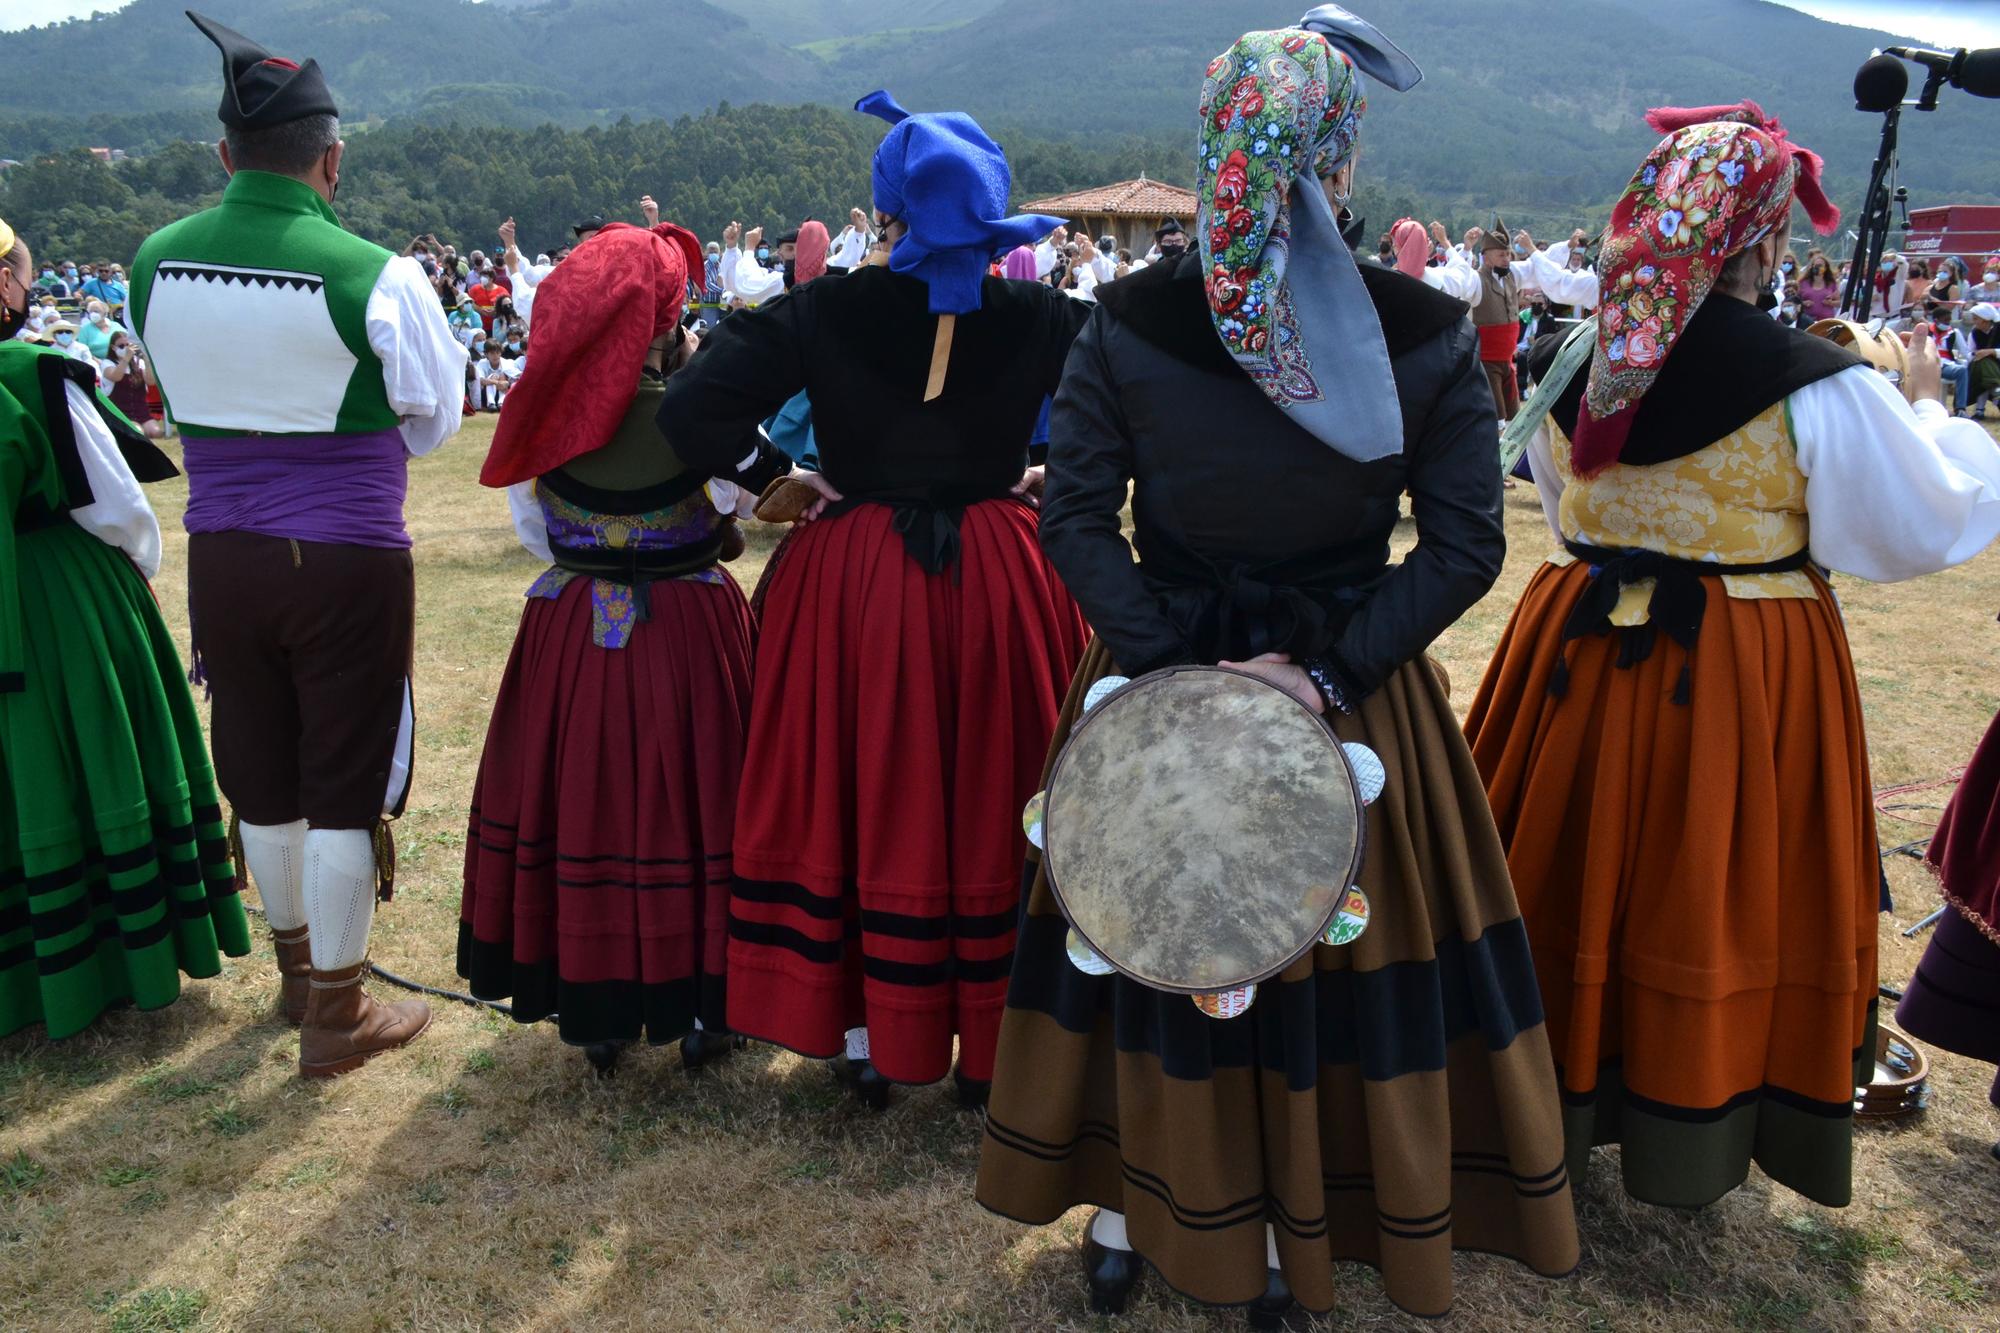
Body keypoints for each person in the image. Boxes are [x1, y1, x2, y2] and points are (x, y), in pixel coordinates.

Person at [977, 17, 1580, 1325]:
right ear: (1340, 155)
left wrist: (1176, 671)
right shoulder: (1426, 327)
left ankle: (1133, 1208)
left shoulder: (1124, 318)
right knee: (1319, 963)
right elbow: (1466, 544)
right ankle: (1282, 1229)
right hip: (1348, 687)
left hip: (1160, 670)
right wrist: (1311, 677)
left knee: (1147, 932)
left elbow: (1077, 517)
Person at [1465, 100, 2000, 1212]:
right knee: (1712, 887)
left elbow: (1562, 509)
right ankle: (1689, 1099)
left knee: (1564, 864)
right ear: (1760, 240)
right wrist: (1932, 409)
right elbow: (1917, 525)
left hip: (1575, 644)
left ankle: (1543, 1086)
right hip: (1737, 670)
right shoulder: (1815, 379)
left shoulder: (1580, 355)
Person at [656, 88, 1091, 1111]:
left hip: (851, 580)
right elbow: (1135, 408)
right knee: (995, 789)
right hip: (997, 575)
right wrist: (1044, 471)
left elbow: (690, 408)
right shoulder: (1046, 314)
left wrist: (780, 473)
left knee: (853, 790)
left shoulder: (819, 309)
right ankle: (992, 1043)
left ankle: (860, 1033)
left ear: (886, 204)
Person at [128, 12, 467, 1077]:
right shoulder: (377, 272)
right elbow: (435, 421)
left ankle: (292, 976)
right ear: (331, 158)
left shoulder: (150, 261)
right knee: (342, 775)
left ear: (225, 156)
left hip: (221, 551)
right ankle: (337, 1011)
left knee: (260, 768)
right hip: (347, 556)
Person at [461, 219, 755, 1076]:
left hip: (573, 632)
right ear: (663, 321)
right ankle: (706, 1003)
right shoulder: (699, 414)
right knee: (701, 804)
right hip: (691, 632)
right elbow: (734, 511)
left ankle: (595, 1010)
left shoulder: (537, 418)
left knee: (583, 799)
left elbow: (533, 534)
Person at [0, 213, 253, 1041]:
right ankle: (113, 967)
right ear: (7, 285)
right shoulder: (37, 374)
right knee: (94, 757)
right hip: (56, 596)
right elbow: (119, 508)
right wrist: (131, 581)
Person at [1471, 223, 1522, 419]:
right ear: (1485, 257)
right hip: (1486, 363)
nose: (1506, 259)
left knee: (1514, 418)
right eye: (1501, 255)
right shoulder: (1475, 280)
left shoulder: (1512, 277)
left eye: (1507, 254)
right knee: (1495, 417)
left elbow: (1544, 271)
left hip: (1507, 361)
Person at [99, 330, 163, 438]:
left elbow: (151, 381)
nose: (127, 348)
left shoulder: (138, 363)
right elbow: (116, 377)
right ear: (113, 347)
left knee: (156, 432)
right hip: (120, 412)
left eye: (129, 345)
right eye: (122, 345)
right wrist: (125, 359)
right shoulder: (107, 363)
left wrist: (147, 361)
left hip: (141, 411)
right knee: (137, 432)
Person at [1964, 302, 2000, 419]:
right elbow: (1969, 353)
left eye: (1976, 319)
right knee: (1982, 366)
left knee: (1985, 364)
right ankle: (1996, 394)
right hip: (1981, 367)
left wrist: (1991, 351)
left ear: (1985, 320)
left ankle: (1980, 409)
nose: (1974, 322)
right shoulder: (1974, 333)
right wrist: (1976, 353)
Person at [473, 342, 519, 412]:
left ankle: (501, 403)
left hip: (505, 392)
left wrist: (506, 383)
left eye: (498, 352)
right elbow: (480, 380)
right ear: (486, 354)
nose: (495, 356)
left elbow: (515, 378)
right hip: (485, 395)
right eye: (492, 353)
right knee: (493, 376)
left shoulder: (507, 362)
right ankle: (491, 404)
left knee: (502, 376)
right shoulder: (482, 363)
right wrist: (497, 382)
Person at [1797, 248, 1840, 322]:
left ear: (1825, 267)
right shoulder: (1803, 282)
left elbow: (1839, 302)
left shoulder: (1831, 283)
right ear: (1811, 266)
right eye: (1816, 265)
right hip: (1807, 320)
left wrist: (1830, 303)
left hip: (1826, 320)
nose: (1818, 268)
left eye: (1820, 265)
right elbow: (1795, 301)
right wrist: (1803, 303)